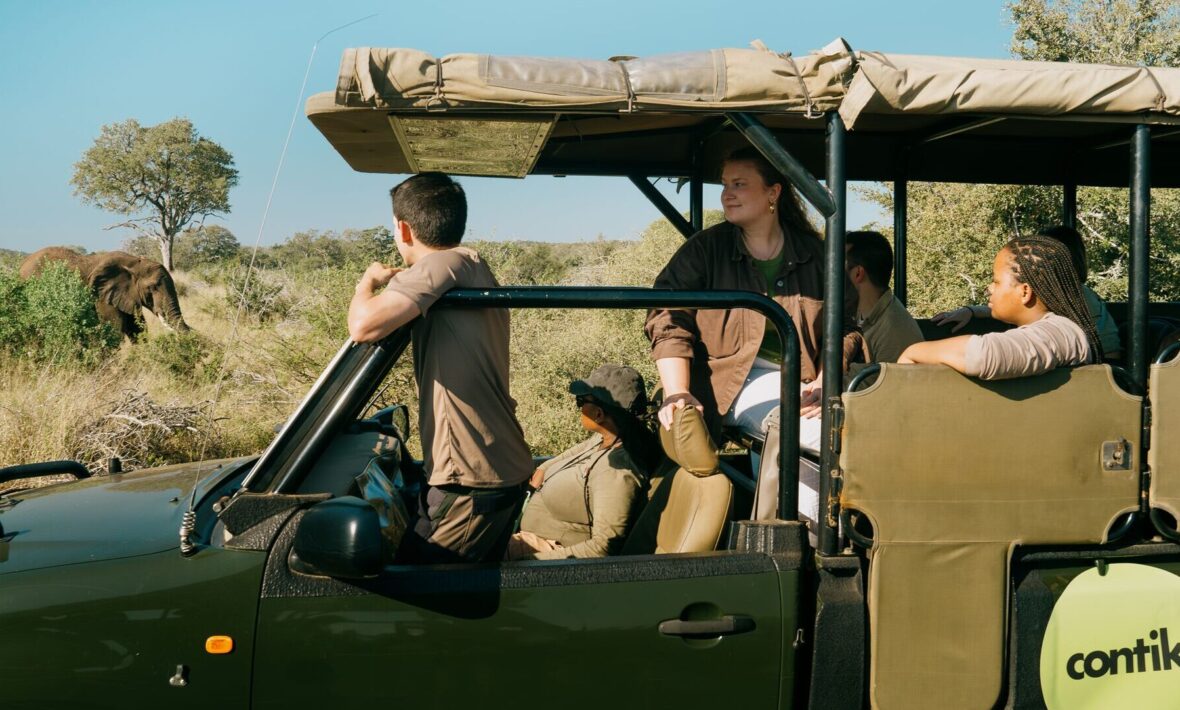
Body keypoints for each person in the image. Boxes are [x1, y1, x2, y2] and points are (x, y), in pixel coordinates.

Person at [348, 172, 533, 564]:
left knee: (420, 587)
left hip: (470, 477)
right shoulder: (470, 263)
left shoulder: (443, 264)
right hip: (491, 465)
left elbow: (363, 326)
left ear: (403, 228)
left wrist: (368, 282)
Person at [645, 146, 856, 443]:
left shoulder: (816, 254)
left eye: (739, 184)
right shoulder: (705, 250)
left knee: (851, 429)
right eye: (725, 185)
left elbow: (844, 327)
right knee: (816, 434)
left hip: (804, 377)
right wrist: (677, 391)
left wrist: (826, 380)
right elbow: (668, 318)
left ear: (773, 193)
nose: (726, 195)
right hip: (729, 380)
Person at [506, 365, 655, 560]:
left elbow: (603, 547)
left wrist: (526, 565)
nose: (579, 407)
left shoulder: (615, 471)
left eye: (581, 401)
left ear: (599, 414)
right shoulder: (604, 439)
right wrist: (542, 469)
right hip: (528, 537)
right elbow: (570, 454)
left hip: (546, 551)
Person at [899, 235, 1100, 378]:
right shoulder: (1061, 329)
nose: (989, 288)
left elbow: (982, 355)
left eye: (996, 282)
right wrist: (973, 312)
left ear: (1025, 292)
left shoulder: (1063, 332)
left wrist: (913, 351)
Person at [932, 225, 1121, 360]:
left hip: (1103, 369)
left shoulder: (1071, 304)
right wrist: (973, 311)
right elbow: (1022, 304)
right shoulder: (1069, 295)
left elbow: (985, 354)